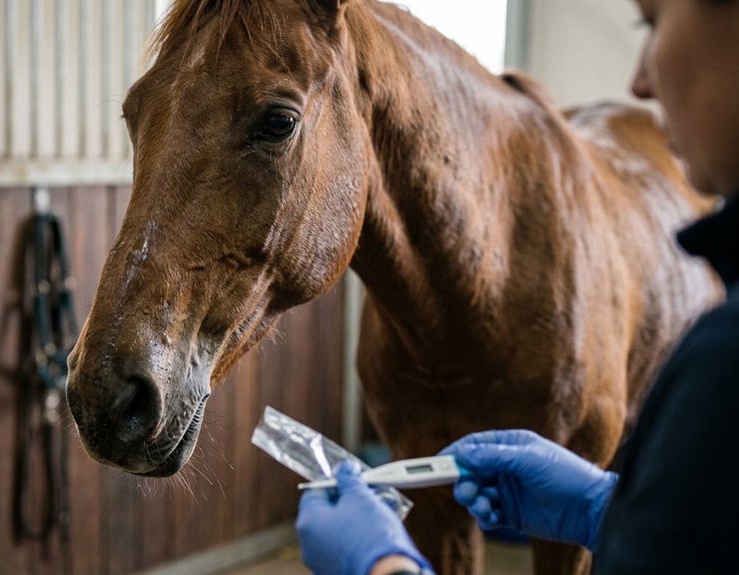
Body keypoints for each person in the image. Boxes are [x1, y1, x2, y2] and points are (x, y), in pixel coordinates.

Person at [295, 0, 739, 573]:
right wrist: (604, 510)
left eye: (651, 22)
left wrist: (379, 565)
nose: (640, 82)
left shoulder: (724, 361)